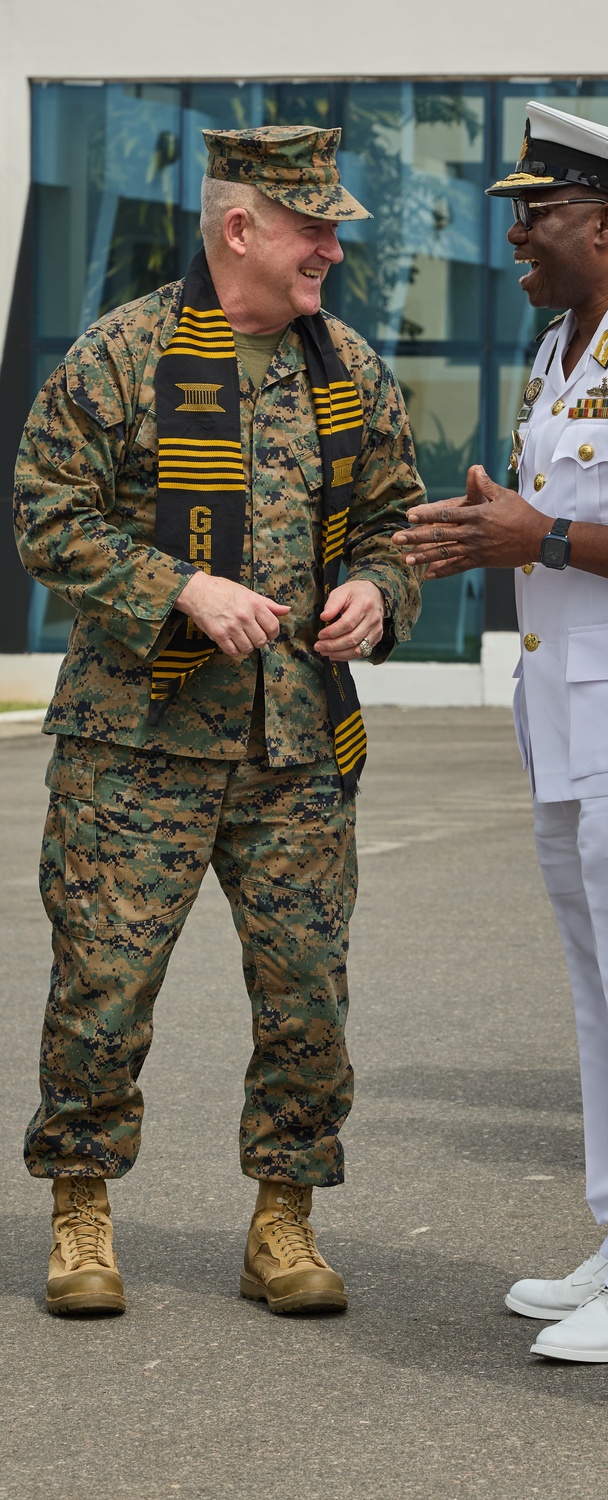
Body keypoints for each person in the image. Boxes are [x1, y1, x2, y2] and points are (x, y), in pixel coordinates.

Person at [13, 125, 422, 1318]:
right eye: (312, 230)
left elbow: (396, 520)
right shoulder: (123, 354)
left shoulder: (345, 365)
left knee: (306, 999)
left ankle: (282, 1223)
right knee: (102, 990)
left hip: (298, 753)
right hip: (136, 750)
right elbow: (46, 517)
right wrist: (177, 588)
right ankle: (82, 1214)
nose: (333, 253)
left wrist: (378, 594)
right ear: (240, 229)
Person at [394, 103, 608, 1363]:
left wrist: (551, 538)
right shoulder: (555, 347)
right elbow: (553, 517)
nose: (517, 236)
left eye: (536, 215)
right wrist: (501, 521)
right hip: (567, 719)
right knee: (602, 995)